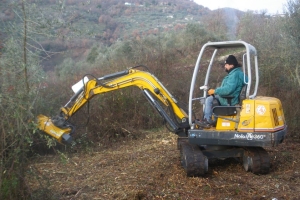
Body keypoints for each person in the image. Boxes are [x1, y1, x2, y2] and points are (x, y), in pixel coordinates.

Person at [196, 55, 247, 127]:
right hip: (231, 98)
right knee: (211, 98)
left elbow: (228, 89)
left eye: (226, 65)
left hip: (229, 100)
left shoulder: (234, 75)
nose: (225, 66)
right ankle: (214, 120)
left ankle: (207, 120)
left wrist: (215, 91)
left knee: (209, 99)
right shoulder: (238, 73)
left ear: (231, 65)